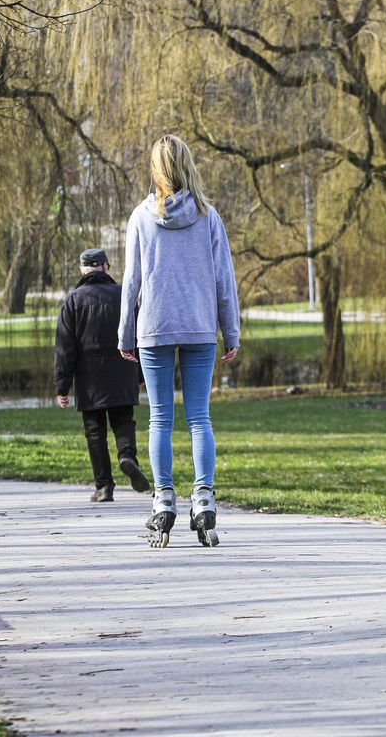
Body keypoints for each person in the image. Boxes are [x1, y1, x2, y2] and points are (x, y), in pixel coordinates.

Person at [118, 134, 240, 548]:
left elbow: (132, 281)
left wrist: (125, 333)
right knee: (199, 418)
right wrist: (232, 330)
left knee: (159, 420)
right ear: (188, 166)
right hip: (200, 327)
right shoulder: (209, 217)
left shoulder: (140, 217)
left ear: (156, 170)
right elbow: (225, 279)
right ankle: (203, 499)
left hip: (154, 326)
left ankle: (164, 500)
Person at [55, 247, 150, 502]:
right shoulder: (124, 296)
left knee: (94, 430)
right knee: (123, 420)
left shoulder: (73, 300)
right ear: (106, 267)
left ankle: (104, 486)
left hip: (89, 378)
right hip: (123, 368)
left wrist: (62, 387)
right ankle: (127, 456)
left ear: (82, 270)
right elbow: (140, 337)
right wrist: (141, 372)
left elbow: (65, 347)